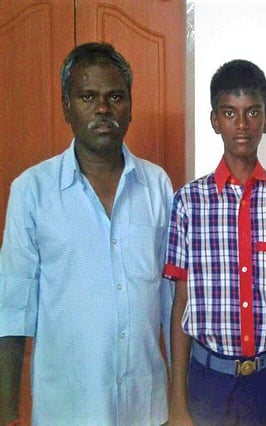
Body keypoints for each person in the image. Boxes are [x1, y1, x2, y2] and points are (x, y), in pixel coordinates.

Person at [0, 42, 173, 425]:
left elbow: (172, 300)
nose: (103, 109)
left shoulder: (157, 186)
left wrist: (181, 404)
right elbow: (12, 308)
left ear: (130, 105)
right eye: (88, 97)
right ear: (67, 106)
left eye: (115, 97)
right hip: (67, 410)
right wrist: (6, 410)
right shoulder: (32, 191)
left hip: (145, 408)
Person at [163, 59, 266, 426]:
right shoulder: (188, 202)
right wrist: (177, 402)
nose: (242, 124)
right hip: (207, 380)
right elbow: (181, 304)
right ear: (215, 120)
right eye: (229, 113)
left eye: (252, 112)